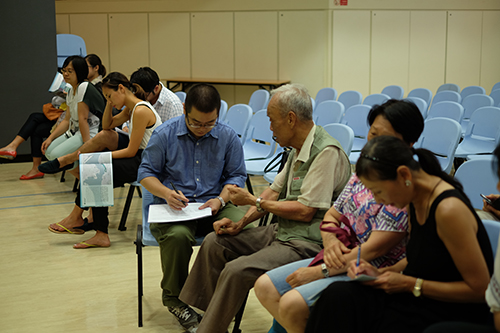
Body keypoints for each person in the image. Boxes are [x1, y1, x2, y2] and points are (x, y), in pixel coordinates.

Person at [178, 83, 352, 333]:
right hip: (283, 231)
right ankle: (210, 320)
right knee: (214, 243)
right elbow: (272, 191)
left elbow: (305, 211)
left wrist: (252, 201)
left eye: (272, 120)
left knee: (236, 270)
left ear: (291, 119)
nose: (269, 127)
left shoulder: (326, 152)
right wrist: (241, 223)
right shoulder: (297, 149)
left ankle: (209, 329)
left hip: (309, 242)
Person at [255, 99, 425, 333]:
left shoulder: (401, 183)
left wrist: (319, 271)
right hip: (341, 256)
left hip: (372, 267)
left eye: (383, 136)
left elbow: (374, 250)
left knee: (292, 304)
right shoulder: (368, 167)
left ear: (408, 142)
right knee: (265, 286)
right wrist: (331, 241)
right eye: (372, 133)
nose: (373, 142)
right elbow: (331, 216)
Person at [304, 135, 494, 333]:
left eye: (378, 191)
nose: (380, 201)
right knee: (338, 295)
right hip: (419, 294)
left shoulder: (448, 210)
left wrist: (410, 284)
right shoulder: (414, 198)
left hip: (449, 307)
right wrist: (381, 274)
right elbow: (419, 256)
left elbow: (480, 289)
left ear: (404, 175)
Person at [137, 83, 248, 332]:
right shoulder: (164, 134)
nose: (202, 129)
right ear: (185, 110)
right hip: (175, 206)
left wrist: (220, 199)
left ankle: (220, 294)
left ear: (218, 114)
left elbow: (236, 176)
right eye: (196, 123)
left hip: (213, 204)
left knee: (242, 227)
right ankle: (174, 298)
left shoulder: (228, 136)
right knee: (178, 236)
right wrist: (165, 193)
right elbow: (145, 173)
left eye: (209, 124)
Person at [40, 72, 162, 248]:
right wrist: (108, 103)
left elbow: (131, 151)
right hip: (139, 157)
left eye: (110, 96)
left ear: (121, 88)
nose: (110, 100)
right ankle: (93, 228)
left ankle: (96, 230)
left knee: (95, 168)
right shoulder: (132, 107)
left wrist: (98, 157)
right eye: (106, 97)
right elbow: (107, 126)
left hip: (147, 162)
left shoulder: (141, 110)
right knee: (95, 163)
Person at [0, 54, 106, 180]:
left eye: (69, 71)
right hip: (77, 130)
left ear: (80, 72)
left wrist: (88, 146)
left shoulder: (84, 86)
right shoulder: (71, 90)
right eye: (64, 70)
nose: (65, 74)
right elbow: (67, 120)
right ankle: (82, 175)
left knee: (56, 155)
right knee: (49, 152)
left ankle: (85, 176)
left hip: (93, 132)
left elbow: (83, 119)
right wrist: (50, 138)